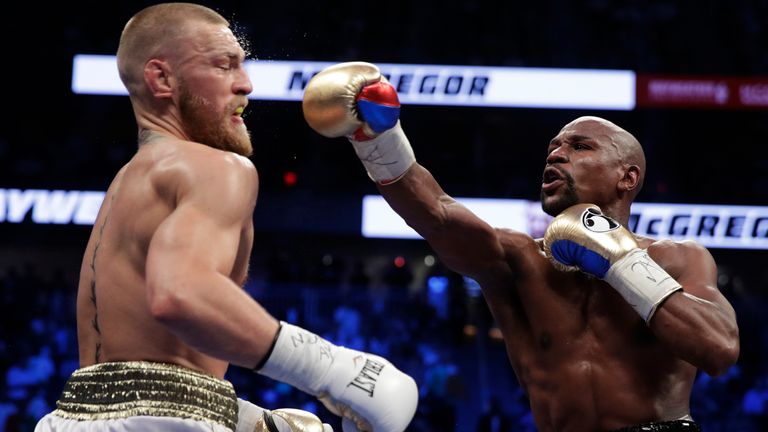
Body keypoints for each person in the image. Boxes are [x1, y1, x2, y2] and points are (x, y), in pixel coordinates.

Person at [35, 6, 417, 432]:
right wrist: (334, 369)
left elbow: (127, 387)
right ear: (162, 79)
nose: (246, 83)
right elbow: (180, 293)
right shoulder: (218, 167)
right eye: (224, 64)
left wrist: (249, 419)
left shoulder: (128, 183)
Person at [302, 62, 741, 432]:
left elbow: (718, 350)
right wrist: (378, 139)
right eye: (553, 148)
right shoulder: (519, 260)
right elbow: (436, 213)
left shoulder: (677, 257)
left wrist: (622, 261)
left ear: (627, 177)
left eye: (579, 146)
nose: (555, 155)